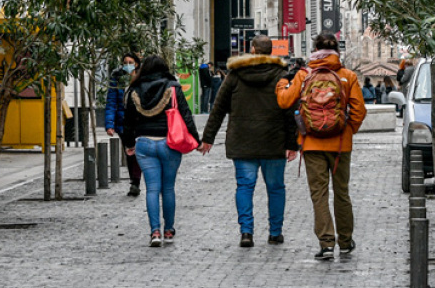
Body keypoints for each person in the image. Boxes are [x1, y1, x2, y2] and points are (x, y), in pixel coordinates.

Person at [198, 35, 299, 248]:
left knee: (244, 186)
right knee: (276, 188)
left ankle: (246, 232)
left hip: (242, 140)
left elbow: (218, 108)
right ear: (271, 52)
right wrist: (292, 144)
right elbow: (289, 111)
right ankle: (275, 232)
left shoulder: (235, 75)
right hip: (274, 141)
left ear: (252, 50)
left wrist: (208, 138)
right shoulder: (281, 75)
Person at [276, 32, 367, 260]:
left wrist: (281, 84)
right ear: (337, 49)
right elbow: (359, 111)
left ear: (314, 49)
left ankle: (327, 244)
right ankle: (345, 241)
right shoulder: (347, 76)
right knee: (342, 193)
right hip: (340, 146)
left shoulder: (305, 75)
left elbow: (285, 101)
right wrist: (347, 130)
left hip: (312, 143)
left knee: (319, 195)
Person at [122, 55, 201, 247]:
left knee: (152, 189)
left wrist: (129, 143)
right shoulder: (172, 87)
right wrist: (196, 139)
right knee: (168, 188)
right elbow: (185, 113)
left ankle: (154, 232)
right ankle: (169, 230)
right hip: (170, 142)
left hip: (144, 144)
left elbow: (128, 121)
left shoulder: (134, 89)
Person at [105, 53, 143, 197]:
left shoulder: (142, 79)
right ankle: (134, 181)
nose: (127, 64)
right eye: (125, 62)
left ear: (137, 64)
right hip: (123, 122)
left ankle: (136, 181)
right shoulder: (117, 79)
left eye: (130, 62)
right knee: (129, 152)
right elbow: (111, 102)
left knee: (138, 150)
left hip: (139, 121)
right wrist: (109, 124)